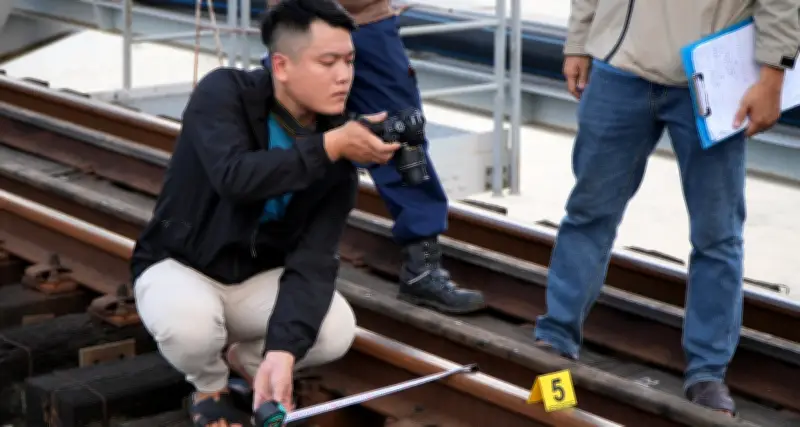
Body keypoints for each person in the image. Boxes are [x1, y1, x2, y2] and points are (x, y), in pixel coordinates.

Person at [130, 0, 404, 424]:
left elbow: (314, 258)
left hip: (254, 279)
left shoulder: (337, 148)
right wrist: (329, 147)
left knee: (334, 329)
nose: (343, 76)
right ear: (281, 66)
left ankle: (253, 363)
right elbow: (235, 177)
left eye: (349, 61)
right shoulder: (224, 93)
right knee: (190, 328)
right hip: (182, 266)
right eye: (327, 62)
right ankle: (209, 386)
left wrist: (282, 350)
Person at [532, 0, 799, 416]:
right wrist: (578, 42)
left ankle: (707, 371)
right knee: (588, 214)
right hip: (618, 70)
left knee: (717, 234)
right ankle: (556, 338)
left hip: (709, 78)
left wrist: (773, 75)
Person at [266, 0, 487, 315]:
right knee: (284, 130)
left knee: (402, 134)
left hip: (365, 22)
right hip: (301, 26)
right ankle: (264, 241)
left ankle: (422, 266)